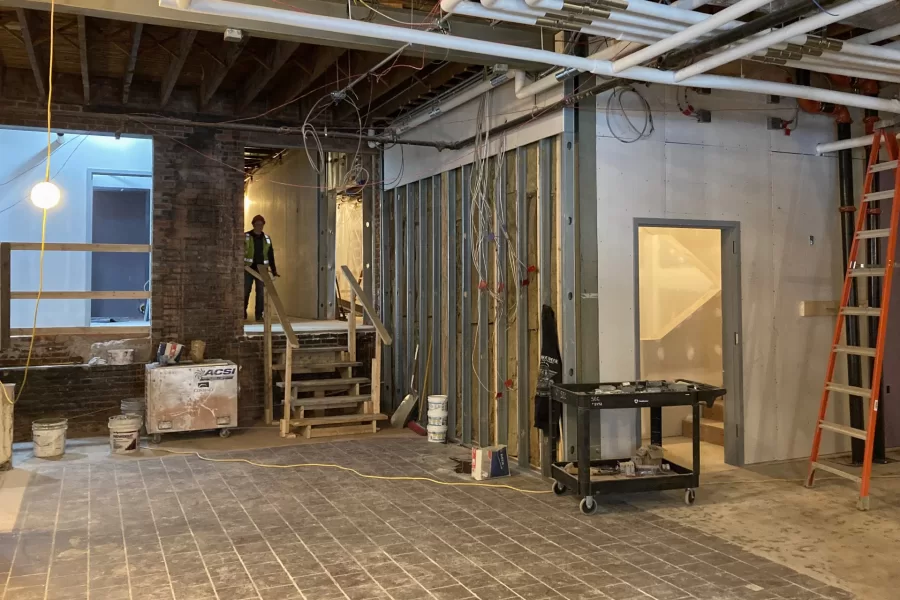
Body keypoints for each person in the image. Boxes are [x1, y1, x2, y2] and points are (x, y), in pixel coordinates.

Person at [244, 214, 278, 321]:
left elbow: (270, 255)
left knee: (261, 294)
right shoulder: (246, 236)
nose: (259, 226)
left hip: (261, 270)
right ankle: (242, 314)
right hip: (248, 269)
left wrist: (273, 270)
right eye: (257, 224)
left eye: (261, 224)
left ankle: (259, 316)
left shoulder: (267, 239)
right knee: (245, 291)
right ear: (253, 225)